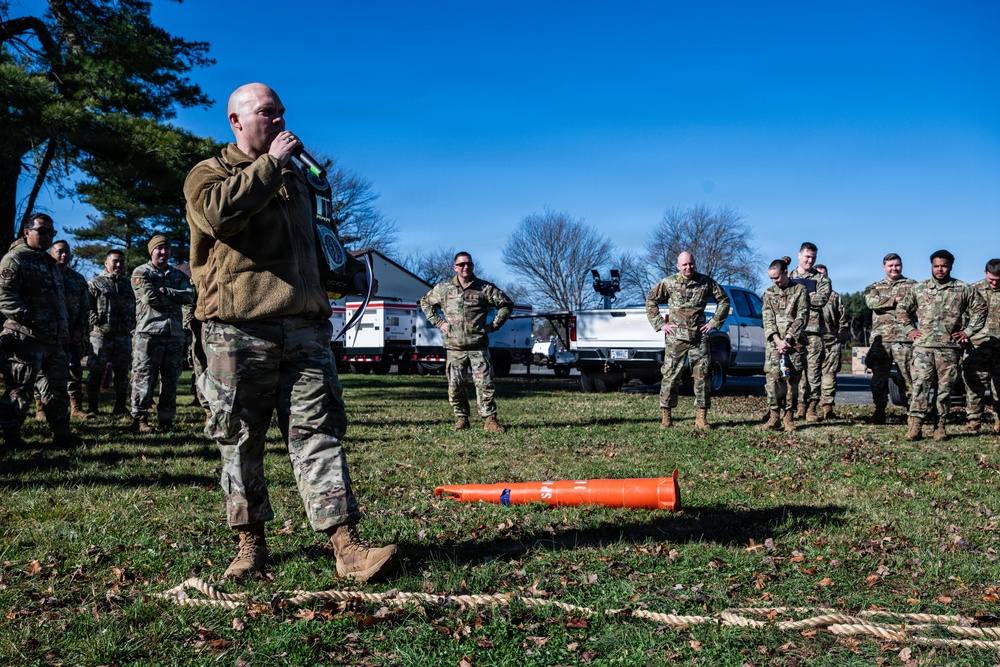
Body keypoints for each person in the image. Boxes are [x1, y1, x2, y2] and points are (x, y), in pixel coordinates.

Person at [184, 82, 399, 583]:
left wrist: (346, 269)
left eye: (281, 112)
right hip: (237, 332)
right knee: (240, 439)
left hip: (303, 328)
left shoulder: (300, 179)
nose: (279, 120)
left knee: (319, 432)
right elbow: (219, 216)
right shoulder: (208, 174)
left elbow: (318, 240)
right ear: (236, 121)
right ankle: (250, 544)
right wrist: (271, 165)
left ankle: (347, 548)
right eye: (266, 113)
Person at [0, 213, 80, 447]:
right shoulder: (14, 259)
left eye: (51, 233)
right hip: (26, 339)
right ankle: (11, 437)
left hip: (53, 341)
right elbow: (4, 298)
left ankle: (62, 433)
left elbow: (58, 301)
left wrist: (62, 329)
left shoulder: (48, 262)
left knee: (57, 389)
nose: (47, 236)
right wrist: (32, 319)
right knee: (20, 389)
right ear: (27, 232)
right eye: (42, 231)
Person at [897, 250, 986, 441]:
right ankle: (916, 426)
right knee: (920, 385)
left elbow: (980, 309)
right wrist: (909, 330)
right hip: (923, 347)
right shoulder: (919, 288)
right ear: (931, 266)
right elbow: (902, 309)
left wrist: (968, 332)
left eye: (944, 266)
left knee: (944, 389)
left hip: (949, 349)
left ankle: (940, 426)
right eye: (936, 266)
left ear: (951, 266)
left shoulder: (963, 289)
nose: (940, 269)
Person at [420, 252, 513, 433]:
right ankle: (461, 418)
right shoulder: (444, 288)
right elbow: (425, 302)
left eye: (468, 264)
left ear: (472, 266)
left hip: (478, 345)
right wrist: (438, 322)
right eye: (461, 264)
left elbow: (506, 304)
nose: (465, 267)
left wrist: (492, 326)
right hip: (454, 347)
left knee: (485, 384)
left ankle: (490, 420)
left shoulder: (484, 288)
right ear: (455, 267)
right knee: (455, 386)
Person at [645, 251, 730, 429]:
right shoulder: (668, 283)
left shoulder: (706, 282)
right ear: (678, 266)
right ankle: (666, 416)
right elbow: (651, 300)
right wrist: (660, 324)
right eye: (684, 265)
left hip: (699, 337)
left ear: (695, 264)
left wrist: (714, 322)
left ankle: (701, 417)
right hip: (676, 338)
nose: (688, 267)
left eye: (691, 264)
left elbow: (724, 300)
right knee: (670, 376)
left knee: (703, 376)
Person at [129, 236, 195, 432]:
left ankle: (166, 420)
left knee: (171, 380)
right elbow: (150, 298)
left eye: (166, 248)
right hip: (148, 334)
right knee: (143, 378)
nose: (163, 252)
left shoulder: (176, 274)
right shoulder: (141, 272)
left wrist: (166, 291)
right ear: (151, 251)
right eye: (159, 249)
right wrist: (177, 296)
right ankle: (140, 419)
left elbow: (190, 295)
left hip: (174, 334)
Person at [35, 240, 91, 421]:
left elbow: (85, 308)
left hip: (72, 335)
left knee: (74, 371)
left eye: (67, 252)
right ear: (51, 253)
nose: (64, 255)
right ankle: (40, 407)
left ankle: (76, 407)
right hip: (48, 334)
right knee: (43, 372)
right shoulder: (43, 276)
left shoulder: (78, 279)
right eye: (59, 251)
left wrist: (79, 330)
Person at [862, 253, 917, 424]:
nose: (894, 268)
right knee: (879, 378)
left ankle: (912, 413)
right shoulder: (874, 287)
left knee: (907, 377)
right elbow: (871, 302)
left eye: (897, 265)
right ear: (883, 267)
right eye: (890, 265)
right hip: (882, 341)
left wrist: (886, 302)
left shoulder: (913, 285)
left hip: (904, 338)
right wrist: (895, 300)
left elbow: (917, 303)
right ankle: (880, 411)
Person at [760, 257, 809, 433]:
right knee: (773, 381)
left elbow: (801, 316)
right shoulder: (769, 293)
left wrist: (788, 338)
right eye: (771, 278)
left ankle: (789, 417)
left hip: (794, 344)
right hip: (775, 344)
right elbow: (767, 318)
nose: (774, 281)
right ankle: (774, 417)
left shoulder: (800, 290)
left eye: (777, 278)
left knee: (791, 383)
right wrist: (777, 340)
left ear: (786, 273)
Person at [86, 249, 136, 417]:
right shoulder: (95, 283)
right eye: (115, 261)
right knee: (96, 373)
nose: (119, 264)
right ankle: (93, 408)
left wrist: (132, 325)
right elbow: (87, 306)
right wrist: (94, 320)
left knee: (122, 373)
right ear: (106, 263)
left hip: (123, 336)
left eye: (121, 261)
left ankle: (120, 407)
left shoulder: (129, 284)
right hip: (101, 336)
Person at [789, 242, 831, 422]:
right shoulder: (788, 276)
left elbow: (821, 300)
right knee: (794, 372)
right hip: (793, 332)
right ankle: (798, 406)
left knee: (813, 373)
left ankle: (812, 407)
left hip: (813, 332)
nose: (809, 260)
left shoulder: (822, 279)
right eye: (807, 256)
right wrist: (808, 296)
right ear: (799, 255)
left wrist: (799, 297)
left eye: (813, 257)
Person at [963, 258, 1000, 433]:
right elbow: (961, 315)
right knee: (974, 384)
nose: (994, 283)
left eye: (998, 280)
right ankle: (974, 421)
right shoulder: (973, 290)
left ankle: (999, 420)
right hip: (977, 345)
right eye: (991, 279)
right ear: (985, 273)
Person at [813, 264, 847, 420]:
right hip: (810, 339)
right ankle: (807, 407)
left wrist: (840, 337)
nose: (821, 278)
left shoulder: (835, 296)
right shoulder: (804, 294)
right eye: (818, 275)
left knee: (829, 375)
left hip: (831, 340)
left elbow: (843, 319)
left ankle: (827, 408)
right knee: (809, 375)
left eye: (824, 275)